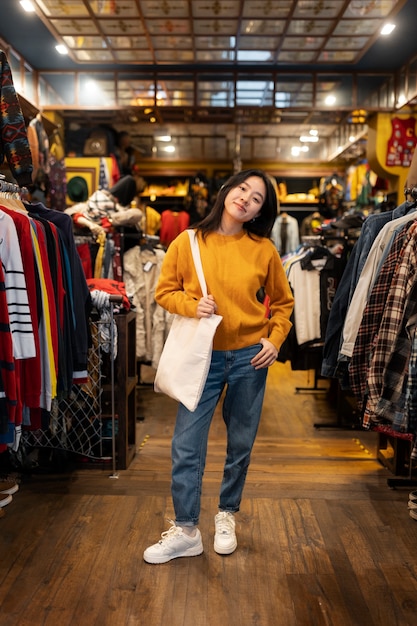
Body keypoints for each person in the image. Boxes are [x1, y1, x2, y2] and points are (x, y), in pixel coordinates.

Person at [143, 169, 294, 564]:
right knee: (186, 443)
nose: (246, 198)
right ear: (227, 189)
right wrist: (193, 306)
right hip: (202, 355)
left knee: (240, 443)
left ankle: (226, 515)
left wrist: (274, 340)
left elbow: (283, 303)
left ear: (261, 210)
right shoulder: (187, 240)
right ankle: (186, 529)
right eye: (242, 188)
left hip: (249, 357)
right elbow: (164, 292)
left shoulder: (263, 249)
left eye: (257, 198)